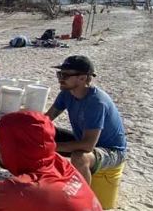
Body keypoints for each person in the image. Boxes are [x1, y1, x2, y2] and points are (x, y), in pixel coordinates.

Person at [45, 55, 127, 183]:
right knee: (39, 133)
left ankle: (83, 200)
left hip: (111, 151)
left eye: (65, 76)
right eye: (59, 74)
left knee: (80, 158)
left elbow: (88, 145)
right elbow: (45, 120)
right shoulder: (67, 93)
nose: (60, 79)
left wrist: (49, 146)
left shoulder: (96, 103)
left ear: (82, 78)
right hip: (85, 141)